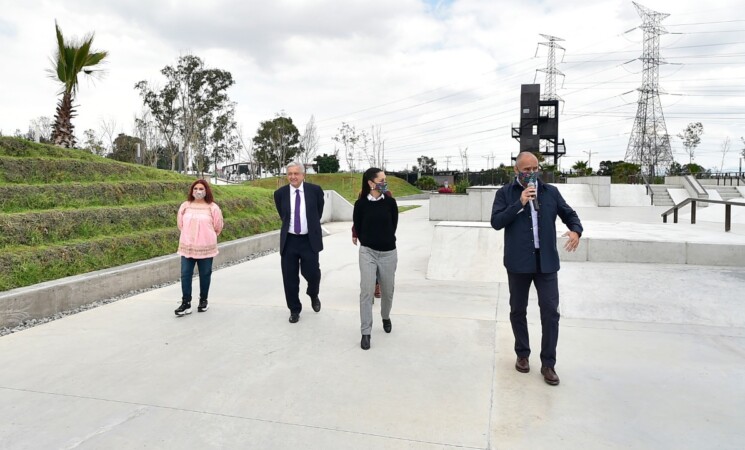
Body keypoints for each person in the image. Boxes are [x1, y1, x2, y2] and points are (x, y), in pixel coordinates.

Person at [490, 152, 582, 385]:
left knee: (551, 312)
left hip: (546, 263)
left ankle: (548, 364)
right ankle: (522, 354)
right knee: (518, 310)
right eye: (526, 169)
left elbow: (569, 214)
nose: (531, 173)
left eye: (535, 168)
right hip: (518, 263)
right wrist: (519, 203)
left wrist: (575, 231)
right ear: (516, 170)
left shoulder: (550, 192)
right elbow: (496, 222)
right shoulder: (505, 193)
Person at [353, 168, 399, 350]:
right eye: (381, 179)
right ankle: (366, 332)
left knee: (387, 291)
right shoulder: (360, 204)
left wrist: (383, 240)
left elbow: (393, 225)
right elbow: (358, 225)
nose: (384, 182)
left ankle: (385, 316)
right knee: (366, 290)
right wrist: (368, 242)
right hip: (367, 252)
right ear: (371, 183)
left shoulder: (390, 203)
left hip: (388, 253)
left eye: (385, 179)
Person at [274, 161, 325, 323]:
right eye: (290, 174)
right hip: (289, 241)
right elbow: (283, 215)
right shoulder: (280, 193)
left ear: (303, 175)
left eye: (296, 173)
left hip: (309, 240)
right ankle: (294, 309)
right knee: (289, 278)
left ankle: (313, 293)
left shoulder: (315, 191)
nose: (293, 177)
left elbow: (318, 212)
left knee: (313, 273)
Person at [175, 179, 224, 316]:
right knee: (185, 274)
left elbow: (218, 226)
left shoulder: (212, 207)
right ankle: (186, 303)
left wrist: (206, 236)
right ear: (192, 190)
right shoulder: (185, 206)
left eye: (201, 189)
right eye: (195, 188)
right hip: (187, 247)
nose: (198, 191)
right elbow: (180, 225)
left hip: (206, 247)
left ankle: (203, 300)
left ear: (206, 191)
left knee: (205, 274)